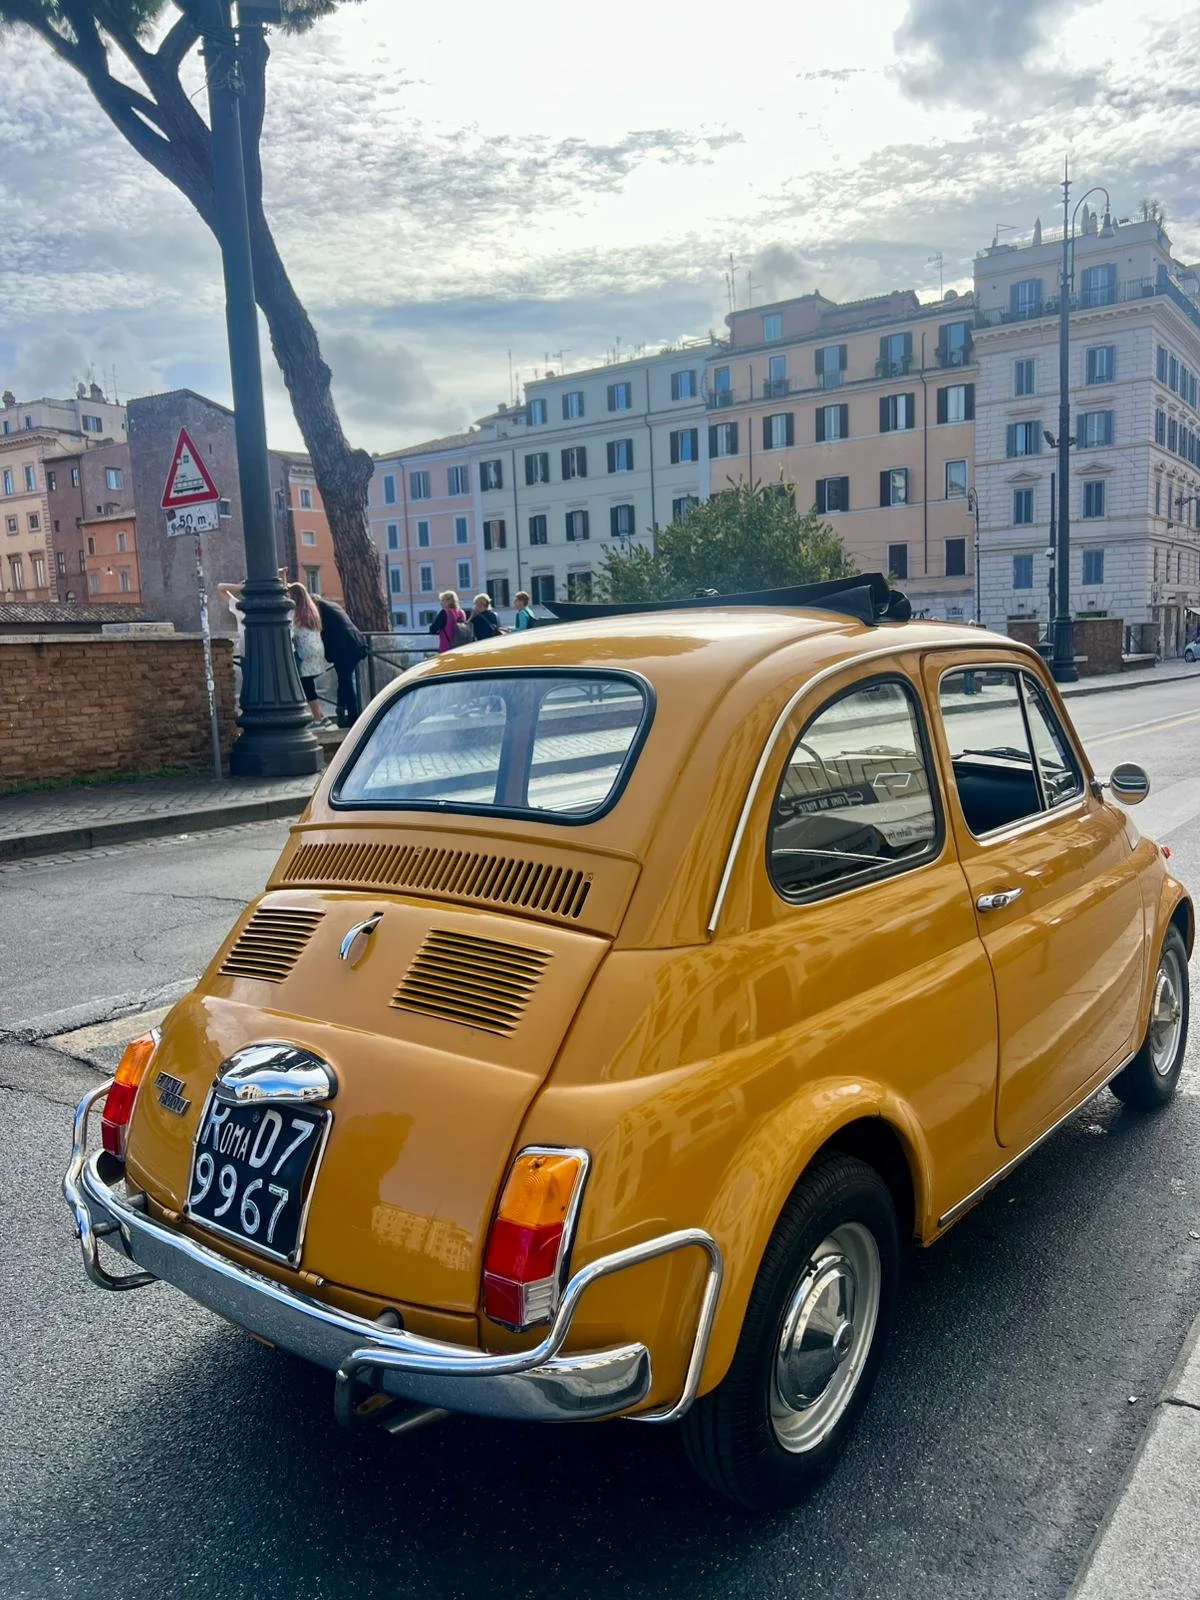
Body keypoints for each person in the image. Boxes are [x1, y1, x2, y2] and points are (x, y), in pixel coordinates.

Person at [314, 594, 367, 727]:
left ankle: (352, 716)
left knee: (346, 681)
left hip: (346, 647)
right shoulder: (333, 606)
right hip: (356, 643)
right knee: (344, 680)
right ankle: (342, 709)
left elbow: (321, 631)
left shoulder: (320, 610)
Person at [289, 582, 328, 724]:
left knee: (306, 685)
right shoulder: (311, 610)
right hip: (317, 650)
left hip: (304, 653)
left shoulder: (295, 613)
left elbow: (290, 632)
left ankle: (317, 718)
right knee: (307, 683)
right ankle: (320, 716)